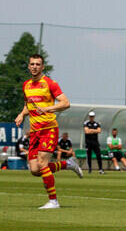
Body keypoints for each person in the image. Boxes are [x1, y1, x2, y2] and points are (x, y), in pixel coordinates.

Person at [14, 54, 83, 209]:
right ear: (28, 66)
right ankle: (67, 164)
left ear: (42, 67)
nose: (34, 67)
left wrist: (48, 108)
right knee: (35, 170)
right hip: (34, 132)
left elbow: (66, 103)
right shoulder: (26, 85)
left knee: (42, 163)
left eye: (38, 64)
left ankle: (53, 201)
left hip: (48, 128)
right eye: (32, 64)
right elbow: (28, 106)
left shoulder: (50, 84)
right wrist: (21, 114)